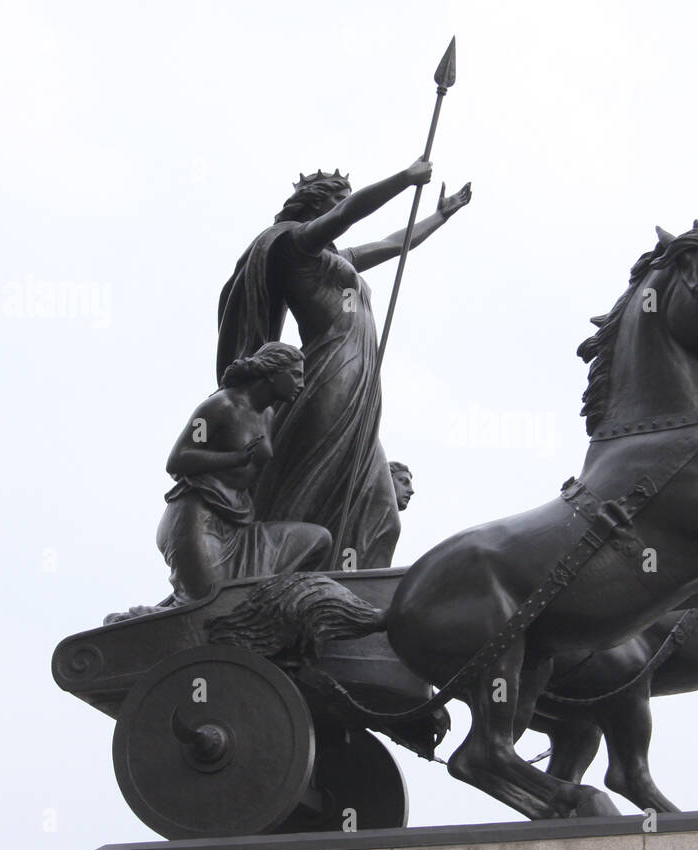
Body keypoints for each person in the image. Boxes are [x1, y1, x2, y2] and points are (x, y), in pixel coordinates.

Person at [215, 161, 470, 570]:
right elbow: (348, 215)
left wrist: (439, 216)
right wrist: (404, 179)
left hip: (361, 381)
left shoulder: (336, 259)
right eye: (336, 199)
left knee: (380, 506)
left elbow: (393, 244)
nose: (343, 206)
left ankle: (358, 588)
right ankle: (279, 576)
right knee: (312, 480)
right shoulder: (298, 245)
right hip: (330, 373)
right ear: (313, 205)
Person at [157, 342, 331, 604]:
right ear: (273, 372)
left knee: (318, 539)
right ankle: (140, 619)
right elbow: (177, 460)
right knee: (209, 605)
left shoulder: (269, 415)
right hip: (197, 521)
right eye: (296, 375)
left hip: (240, 526)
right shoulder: (218, 406)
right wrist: (234, 458)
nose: (302, 384)